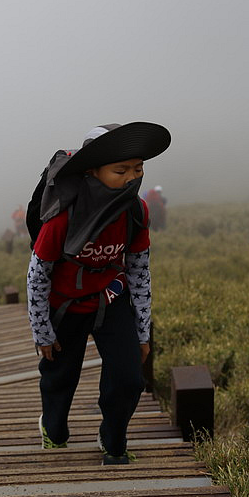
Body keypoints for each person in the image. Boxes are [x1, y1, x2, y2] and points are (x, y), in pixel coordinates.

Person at [26, 122, 171, 465]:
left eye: (138, 169)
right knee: (60, 376)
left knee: (129, 377)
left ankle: (113, 438)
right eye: (120, 170)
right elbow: (38, 274)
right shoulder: (63, 215)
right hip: (66, 305)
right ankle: (53, 428)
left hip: (111, 298)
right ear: (93, 171)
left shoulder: (136, 210)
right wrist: (42, 330)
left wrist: (142, 329)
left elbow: (138, 269)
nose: (131, 178)